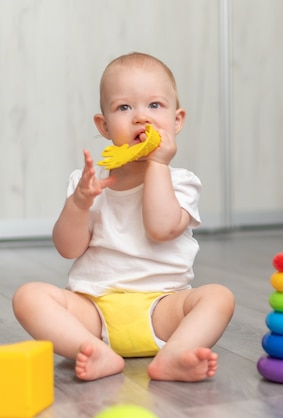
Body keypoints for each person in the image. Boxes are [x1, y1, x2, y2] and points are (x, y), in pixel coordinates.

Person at [12, 52, 235, 381]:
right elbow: (68, 248)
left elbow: (160, 228)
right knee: (28, 296)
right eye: (124, 107)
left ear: (177, 120)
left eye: (155, 105)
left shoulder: (181, 182)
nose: (141, 117)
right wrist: (79, 203)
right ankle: (92, 349)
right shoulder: (87, 182)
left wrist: (158, 165)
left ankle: (174, 354)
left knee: (218, 297)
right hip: (94, 310)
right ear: (103, 126)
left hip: (162, 307)